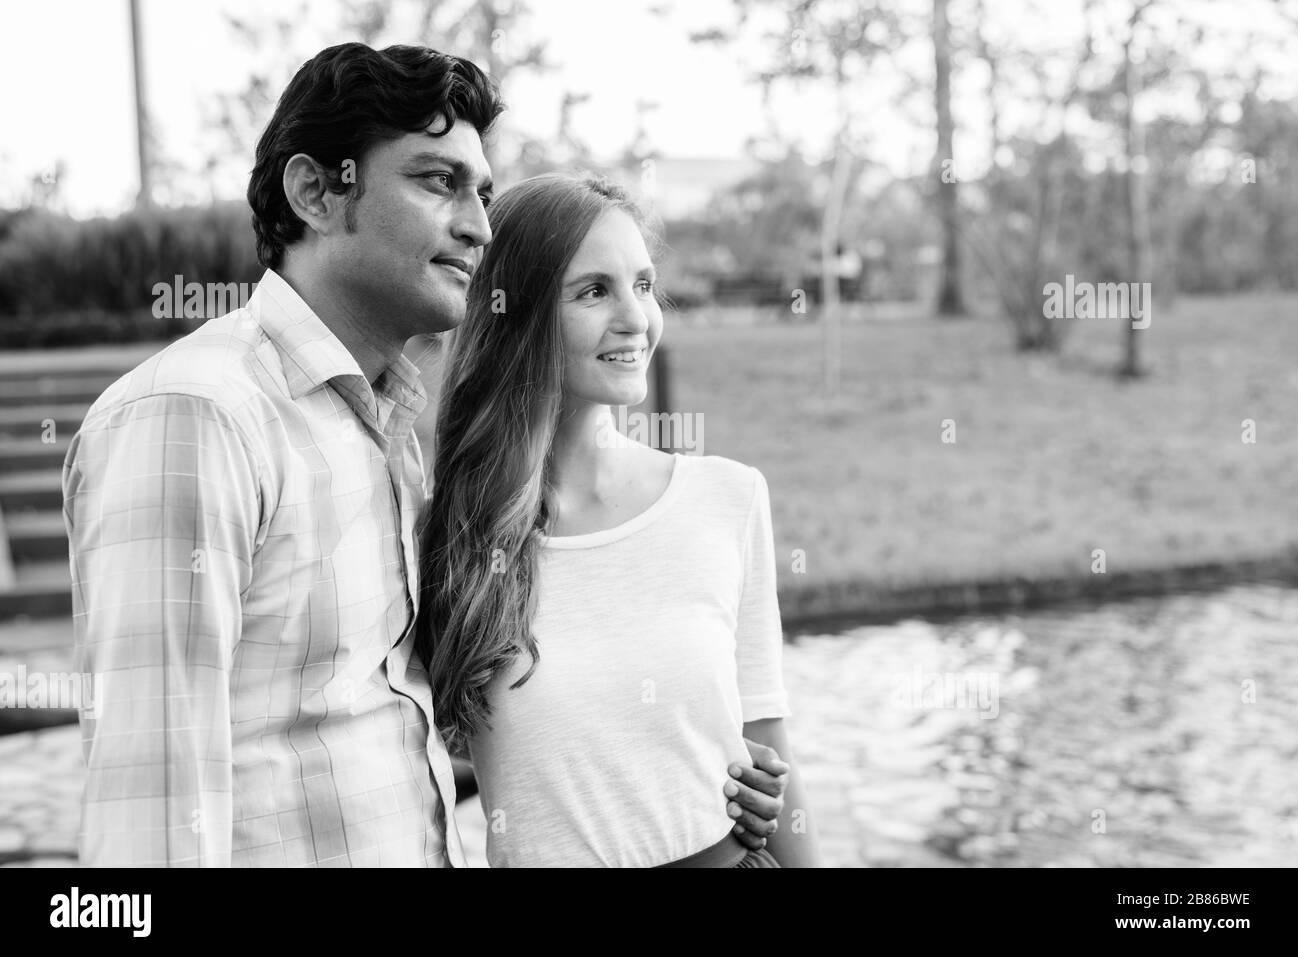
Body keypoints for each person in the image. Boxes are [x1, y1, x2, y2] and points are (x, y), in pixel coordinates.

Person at [62, 42, 786, 867]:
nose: (479, 225)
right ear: (316, 193)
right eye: (438, 181)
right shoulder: (197, 414)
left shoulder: (387, 434)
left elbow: (411, 716)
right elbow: (150, 820)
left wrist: (689, 777)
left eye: (480, 191)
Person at [416, 172, 822, 867]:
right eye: (594, 290)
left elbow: (766, 736)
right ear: (516, 313)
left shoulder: (728, 498)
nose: (636, 316)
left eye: (643, 283)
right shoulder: (445, 535)